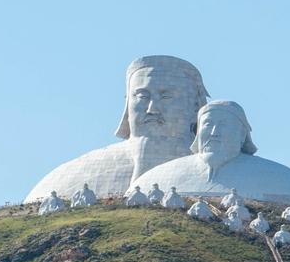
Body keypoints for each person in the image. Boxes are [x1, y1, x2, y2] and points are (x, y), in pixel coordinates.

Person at [25, 56, 210, 202]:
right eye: (142, 96)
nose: (152, 109)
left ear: (195, 105)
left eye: (166, 97)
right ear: (128, 103)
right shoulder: (64, 180)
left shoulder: (227, 172)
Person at [132, 100, 290, 207]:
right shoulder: (154, 178)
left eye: (223, 125)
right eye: (208, 124)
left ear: (242, 135)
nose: (214, 132)